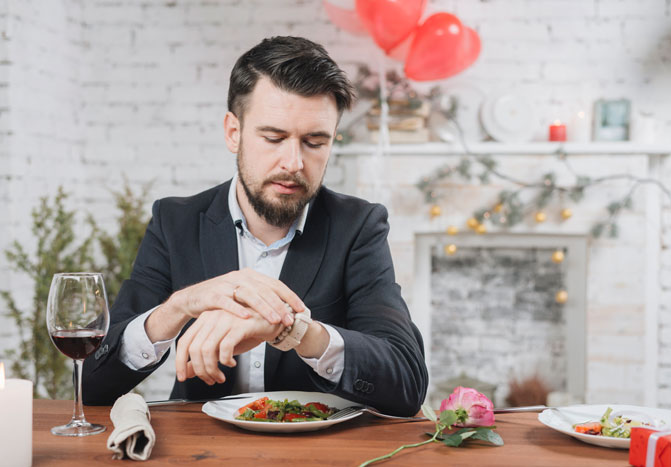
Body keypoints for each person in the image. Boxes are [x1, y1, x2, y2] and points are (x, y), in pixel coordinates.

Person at [83, 36, 428, 416]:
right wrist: (180, 305)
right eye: (274, 137)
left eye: (314, 142)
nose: (293, 162)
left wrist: (296, 333)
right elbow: (93, 382)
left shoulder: (358, 227)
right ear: (234, 132)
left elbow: (408, 383)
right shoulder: (175, 222)